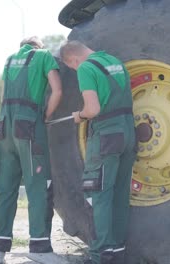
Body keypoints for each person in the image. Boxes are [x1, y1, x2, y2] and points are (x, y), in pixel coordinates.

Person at [60, 40, 136, 264]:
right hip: (128, 133)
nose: (75, 71)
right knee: (120, 195)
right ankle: (118, 252)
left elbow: (93, 109)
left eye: (72, 68)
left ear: (73, 59)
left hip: (106, 137)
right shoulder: (115, 61)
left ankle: (100, 255)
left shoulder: (85, 68)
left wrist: (80, 116)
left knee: (98, 195)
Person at [0, 36, 62, 264]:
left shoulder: (10, 60)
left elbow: (3, 98)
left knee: (4, 189)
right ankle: (40, 248)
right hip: (28, 127)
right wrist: (45, 116)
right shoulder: (43, 56)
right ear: (38, 46)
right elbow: (57, 91)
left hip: (3, 129)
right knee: (39, 187)